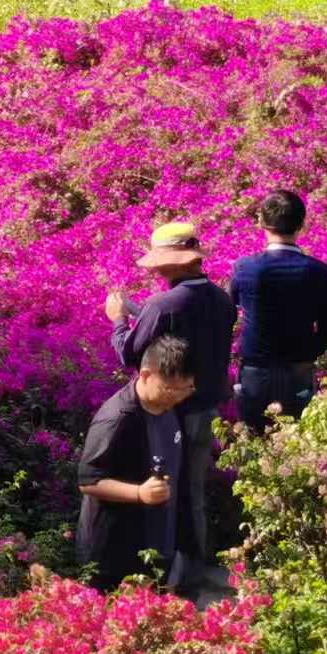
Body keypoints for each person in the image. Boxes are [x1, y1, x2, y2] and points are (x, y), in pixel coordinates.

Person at [104, 220, 235, 586]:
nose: (156, 267)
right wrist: (141, 312)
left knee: (162, 488)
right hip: (208, 409)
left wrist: (118, 321)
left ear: (176, 262)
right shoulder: (222, 299)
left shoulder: (163, 305)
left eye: (161, 261)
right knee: (192, 489)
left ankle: (165, 572)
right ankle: (196, 565)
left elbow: (129, 355)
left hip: (171, 411)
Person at [77, 335, 197, 592]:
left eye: (186, 388)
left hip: (156, 543)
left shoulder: (167, 406)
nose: (178, 397)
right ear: (145, 375)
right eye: (171, 389)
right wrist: (139, 493)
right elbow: (89, 481)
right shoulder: (117, 419)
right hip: (115, 552)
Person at [227, 190, 327, 431]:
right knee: (297, 439)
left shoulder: (246, 268)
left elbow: (228, 314)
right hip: (298, 369)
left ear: (261, 222)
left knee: (254, 441)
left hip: (255, 371)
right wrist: (306, 352)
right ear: (302, 224)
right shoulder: (317, 270)